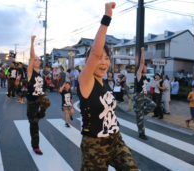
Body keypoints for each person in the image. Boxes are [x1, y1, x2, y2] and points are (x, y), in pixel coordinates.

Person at [77, 3, 138, 170]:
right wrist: (107, 17)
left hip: (115, 139)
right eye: (99, 58)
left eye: (106, 58)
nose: (103, 62)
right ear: (89, 62)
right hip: (94, 145)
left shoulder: (105, 82)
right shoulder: (85, 80)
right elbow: (95, 52)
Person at [27, 35, 50, 155]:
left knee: (38, 118)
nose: (38, 60)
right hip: (32, 103)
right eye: (35, 59)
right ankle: (35, 146)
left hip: (40, 101)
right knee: (34, 123)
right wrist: (32, 42)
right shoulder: (31, 74)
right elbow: (31, 57)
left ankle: (40, 113)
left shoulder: (40, 75)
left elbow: (43, 88)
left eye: (38, 59)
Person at [134, 47, 156, 140]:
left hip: (143, 96)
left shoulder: (144, 76)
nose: (146, 67)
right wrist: (143, 51)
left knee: (153, 104)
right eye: (146, 66)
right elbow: (142, 62)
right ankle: (141, 133)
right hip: (138, 96)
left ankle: (141, 114)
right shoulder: (139, 74)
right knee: (140, 118)